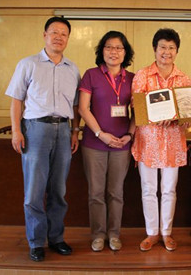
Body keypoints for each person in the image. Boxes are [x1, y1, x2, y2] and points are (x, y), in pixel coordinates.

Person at [5, 17, 80, 262]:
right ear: (44, 35)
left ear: (68, 39)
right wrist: (16, 130)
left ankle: (56, 238)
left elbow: (77, 106)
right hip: (36, 129)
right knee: (34, 192)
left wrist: (75, 131)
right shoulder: (28, 64)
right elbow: (16, 99)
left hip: (64, 130)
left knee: (58, 190)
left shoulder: (73, 68)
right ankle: (36, 242)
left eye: (64, 33)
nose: (59, 37)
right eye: (54, 32)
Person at [132, 28, 191, 252]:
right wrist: (158, 116)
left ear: (176, 51)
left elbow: (188, 112)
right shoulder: (142, 75)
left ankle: (166, 232)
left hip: (174, 142)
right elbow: (136, 108)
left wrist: (177, 118)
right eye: (162, 47)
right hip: (148, 141)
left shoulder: (183, 78)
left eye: (171, 48)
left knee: (169, 189)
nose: (166, 52)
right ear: (155, 49)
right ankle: (152, 233)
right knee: (148, 189)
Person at [78, 31, 135, 252]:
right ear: (102, 51)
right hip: (95, 143)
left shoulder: (132, 78)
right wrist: (101, 133)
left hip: (122, 144)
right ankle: (98, 234)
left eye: (119, 48)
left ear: (125, 53)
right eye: (109, 47)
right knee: (96, 192)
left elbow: (138, 112)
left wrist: (129, 135)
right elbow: (83, 108)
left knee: (116, 192)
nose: (114, 52)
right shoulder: (91, 75)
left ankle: (114, 234)